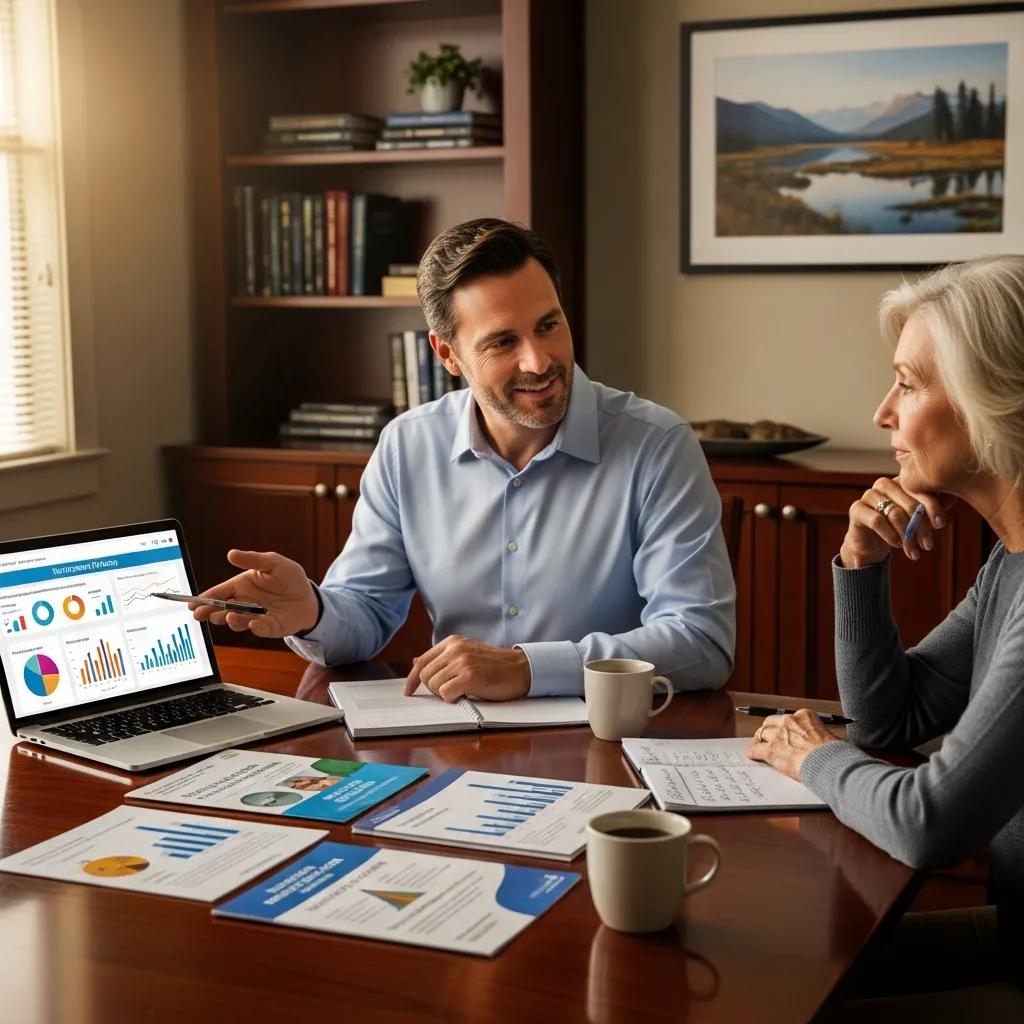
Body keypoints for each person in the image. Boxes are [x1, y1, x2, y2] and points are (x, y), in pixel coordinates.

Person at [191, 218, 735, 702]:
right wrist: (310, 609)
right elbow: (366, 611)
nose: (539, 361)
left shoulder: (658, 445)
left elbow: (700, 639)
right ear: (447, 354)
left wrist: (525, 667)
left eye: (549, 325)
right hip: (454, 744)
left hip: (607, 742)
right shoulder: (408, 447)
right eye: (502, 342)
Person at [748, 255, 1024, 1014]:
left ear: (990, 400)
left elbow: (929, 822)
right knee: (774, 973)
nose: (882, 413)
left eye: (907, 383)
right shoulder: (1011, 562)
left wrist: (814, 758)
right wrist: (858, 562)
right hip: (1013, 935)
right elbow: (890, 716)